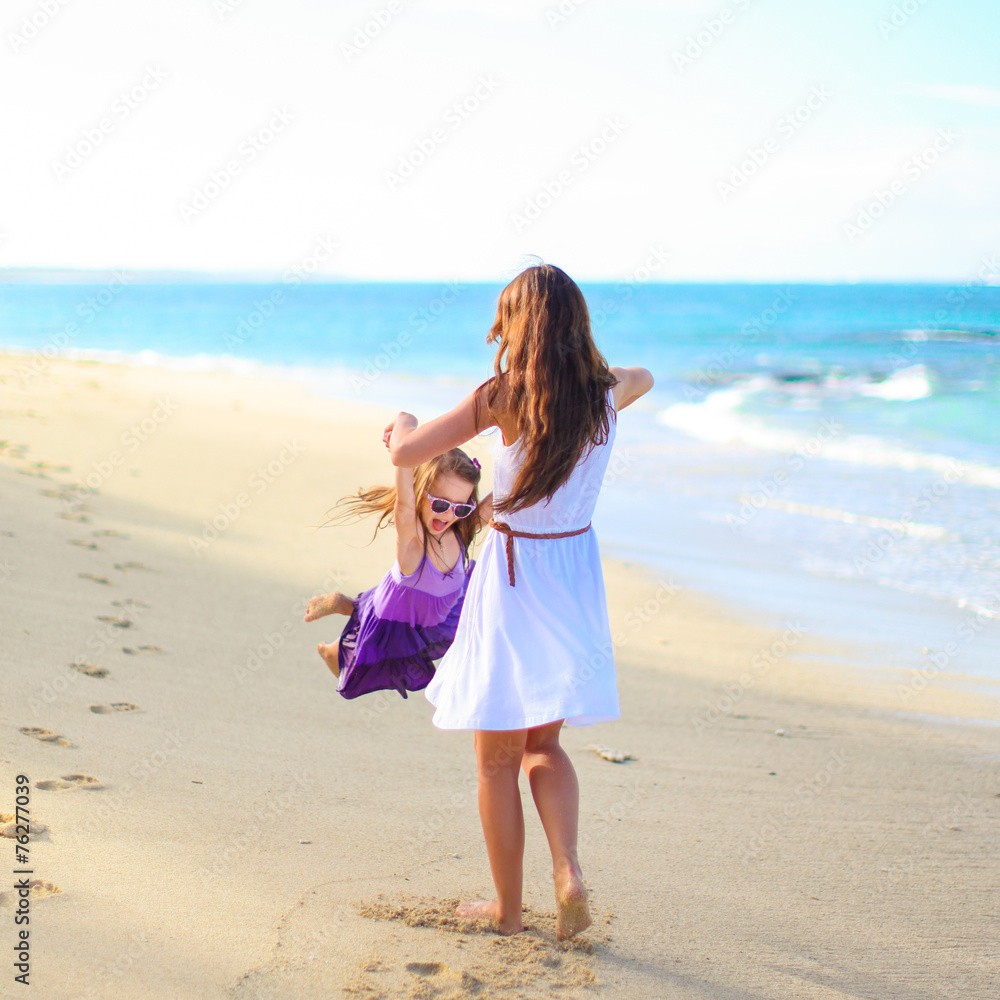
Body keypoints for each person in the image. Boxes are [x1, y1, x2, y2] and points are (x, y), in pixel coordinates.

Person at [382, 263, 654, 939]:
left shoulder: (502, 397)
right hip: (574, 576)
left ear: (518, 326)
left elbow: (409, 451)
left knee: (496, 759)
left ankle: (507, 912)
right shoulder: (603, 396)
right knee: (544, 747)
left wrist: (401, 423)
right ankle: (569, 873)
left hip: (513, 579)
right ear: (576, 326)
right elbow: (643, 376)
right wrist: (585, 373)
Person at [304, 447, 492, 700]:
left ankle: (345, 604)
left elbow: (498, 501)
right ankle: (335, 628)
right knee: (372, 650)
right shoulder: (412, 542)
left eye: (460, 508)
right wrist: (405, 435)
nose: (449, 514)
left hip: (441, 612)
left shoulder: (459, 532)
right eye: (440, 503)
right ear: (419, 493)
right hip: (396, 613)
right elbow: (404, 500)